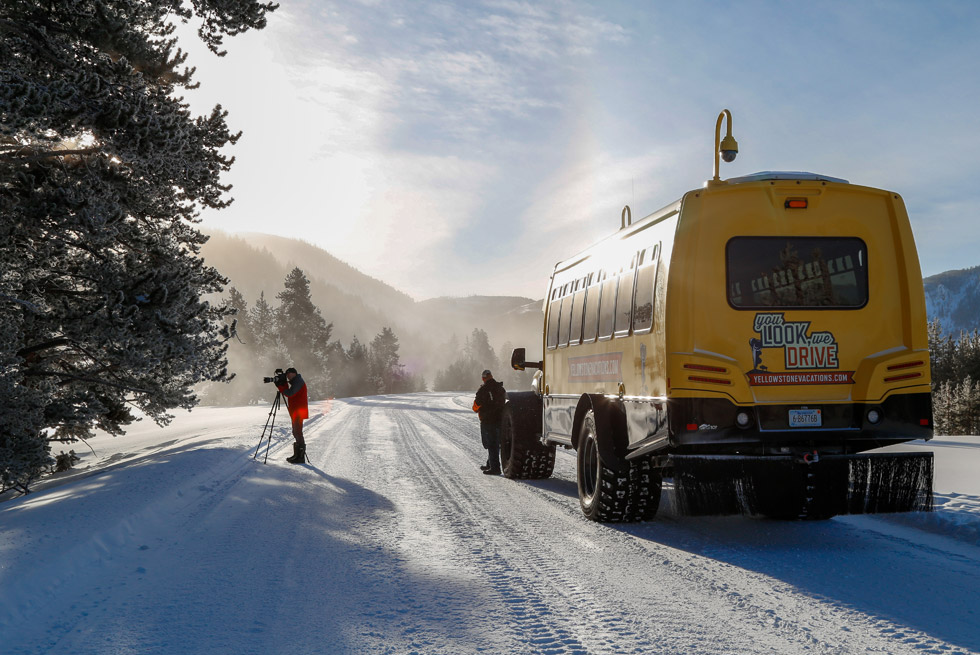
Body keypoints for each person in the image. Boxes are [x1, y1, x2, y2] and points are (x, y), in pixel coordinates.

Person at [473, 369, 506, 475]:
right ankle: (490, 464)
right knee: (496, 442)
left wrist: (476, 409)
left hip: (488, 420)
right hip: (500, 419)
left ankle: (495, 468)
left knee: (490, 443)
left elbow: (476, 404)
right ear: (491, 376)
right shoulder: (500, 388)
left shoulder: (483, 389)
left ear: (483, 378)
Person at [276, 367, 309, 464]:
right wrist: (282, 384)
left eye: (289, 374)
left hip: (299, 411)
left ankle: (300, 457)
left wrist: (280, 387)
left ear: (294, 373)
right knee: (296, 432)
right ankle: (297, 455)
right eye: (287, 375)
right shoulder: (296, 381)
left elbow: (290, 394)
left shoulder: (298, 381)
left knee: (298, 432)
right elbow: (290, 393)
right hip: (296, 410)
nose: (288, 376)